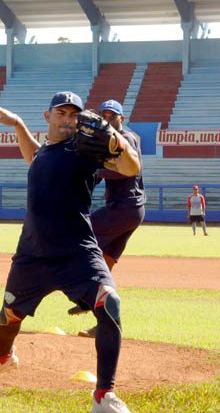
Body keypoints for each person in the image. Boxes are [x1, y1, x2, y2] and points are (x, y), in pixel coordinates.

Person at [0, 92, 141, 413]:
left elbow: (131, 167)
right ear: (48, 117)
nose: (68, 119)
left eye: (73, 114)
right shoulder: (45, 150)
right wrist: (18, 124)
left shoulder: (86, 149)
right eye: (61, 113)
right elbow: (34, 156)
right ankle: (3, 358)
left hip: (78, 252)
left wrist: (119, 142)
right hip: (33, 253)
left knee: (109, 303)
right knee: (8, 315)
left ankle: (104, 396)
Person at [69, 100, 146, 339]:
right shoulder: (108, 142)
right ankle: (103, 321)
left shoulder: (126, 137)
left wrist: (94, 166)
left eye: (113, 115)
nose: (109, 118)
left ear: (121, 118)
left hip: (124, 208)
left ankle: (84, 298)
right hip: (129, 210)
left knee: (79, 237)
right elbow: (103, 175)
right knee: (105, 264)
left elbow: (119, 169)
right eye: (105, 115)